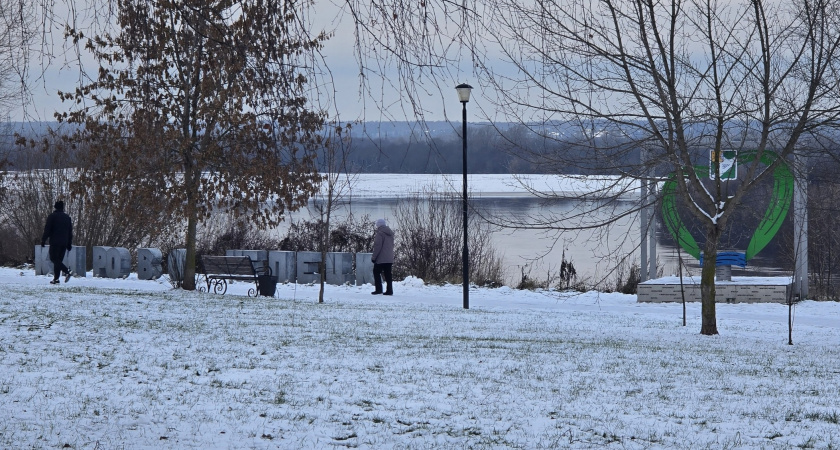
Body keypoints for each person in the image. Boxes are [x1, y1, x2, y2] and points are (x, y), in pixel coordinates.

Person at [41, 200, 74, 284]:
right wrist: (69, 243)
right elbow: (70, 232)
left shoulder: (52, 216)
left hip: (55, 242)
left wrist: (43, 240)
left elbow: (47, 229)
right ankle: (56, 279)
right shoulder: (67, 217)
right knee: (58, 261)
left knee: (53, 258)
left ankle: (67, 271)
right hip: (64, 242)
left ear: (55, 207)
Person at [371, 218, 395, 295]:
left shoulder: (380, 233)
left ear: (378, 225)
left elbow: (377, 246)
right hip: (389, 257)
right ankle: (389, 290)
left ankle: (378, 289)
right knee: (388, 274)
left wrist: (374, 257)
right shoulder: (391, 233)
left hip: (381, 258)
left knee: (376, 272)